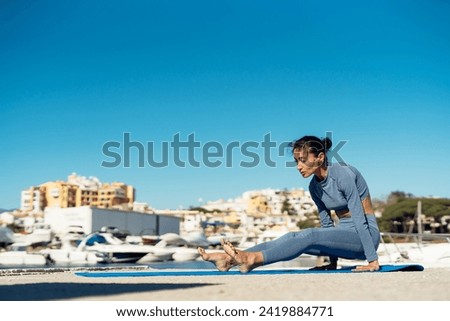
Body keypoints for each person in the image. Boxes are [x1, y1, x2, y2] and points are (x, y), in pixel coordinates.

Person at [198, 135, 381, 272]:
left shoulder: (343, 173)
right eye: (296, 161)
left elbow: (359, 219)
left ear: (320, 157)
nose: (298, 166)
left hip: (366, 237)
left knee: (309, 234)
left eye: (303, 160)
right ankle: (230, 260)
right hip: (343, 238)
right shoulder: (314, 187)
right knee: (290, 237)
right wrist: (332, 263)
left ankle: (252, 259)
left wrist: (372, 261)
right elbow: (327, 226)